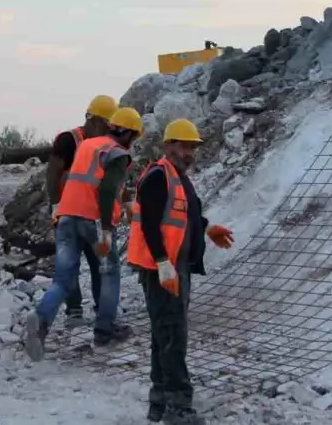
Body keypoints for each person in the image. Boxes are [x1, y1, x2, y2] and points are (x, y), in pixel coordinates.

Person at [126, 119, 235, 425]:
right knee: (173, 336)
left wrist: (208, 228)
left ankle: (160, 402)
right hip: (163, 270)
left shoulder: (178, 179)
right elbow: (148, 223)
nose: (189, 153)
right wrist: (162, 264)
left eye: (192, 148)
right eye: (183, 146)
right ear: (168, 146)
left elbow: (184, 216)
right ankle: (179, 408)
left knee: (165, 335)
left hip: (176, 269)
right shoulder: (158, 177)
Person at [25, 107, 144, 359]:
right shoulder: (117, 153)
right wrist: (107, 229)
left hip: (67, 216)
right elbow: (106, 190)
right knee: (109, 272)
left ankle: (41, 320)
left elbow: (87, 180)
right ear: (130, 134)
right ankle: (105, 330)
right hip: (93, 220)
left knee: (63, 278)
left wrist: (124, 202)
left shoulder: (89, 145)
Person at [44, 94, 119, 326]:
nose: (109, 133)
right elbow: (53, 173)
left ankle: (100, 309)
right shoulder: (69, 141)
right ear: (95, 121)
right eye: (107, 127)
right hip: (68, 213)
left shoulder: (104, 146)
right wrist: (55, 206)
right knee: (70, 267)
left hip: (92, 215)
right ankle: (74, 310)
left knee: (98, 265)